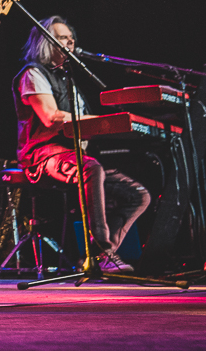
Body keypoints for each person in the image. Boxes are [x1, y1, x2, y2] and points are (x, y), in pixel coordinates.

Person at [13, 17, 151, 273]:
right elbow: (51, 117)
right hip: (43, 155)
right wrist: (101, 122)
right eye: (62, 37)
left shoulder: (68, 79)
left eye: (71, 37)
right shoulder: (33, 73)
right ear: (45, 42)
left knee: (138, 195)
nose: (70, 41)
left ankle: (98, 256)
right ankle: (103, 250)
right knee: (91, 168)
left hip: (75, 155)